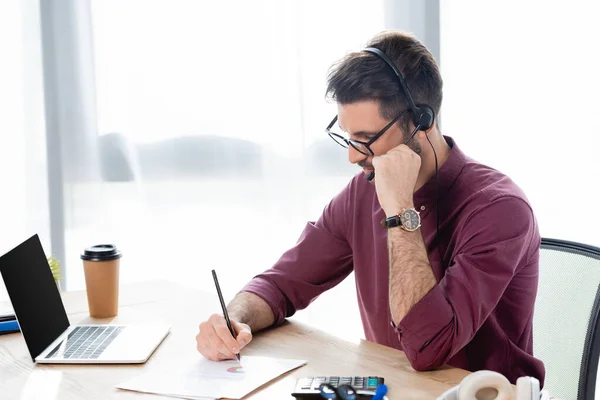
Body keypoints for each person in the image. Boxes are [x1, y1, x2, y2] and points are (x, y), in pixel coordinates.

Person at [195, 30, 545, 385]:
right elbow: (281, 284)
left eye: (365, 140)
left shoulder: (500, 209)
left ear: (421, 124)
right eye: (348, 137)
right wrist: (233, 320)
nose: (351, 157)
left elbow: (429, 348)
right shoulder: (361, 193)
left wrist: (400, 210)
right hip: (396, 390)